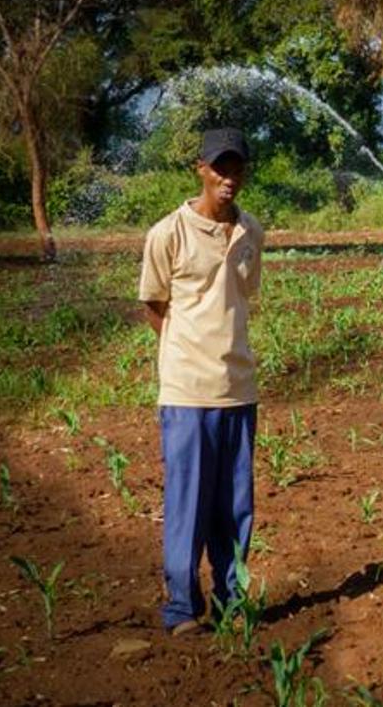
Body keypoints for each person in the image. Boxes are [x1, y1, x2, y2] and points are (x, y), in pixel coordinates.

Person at [138, 128, 266, 635]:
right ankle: (183, 609)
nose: (228, 178)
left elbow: (242, 298)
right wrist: (185, 355)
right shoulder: (167, 233)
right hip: (188, 392)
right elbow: (155, 307)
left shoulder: (252, 231)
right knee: (188, 504)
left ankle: (233, 603)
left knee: (235, 509)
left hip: (239, 388)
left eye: (236, 168)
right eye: (220, 167)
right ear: (201, 169)